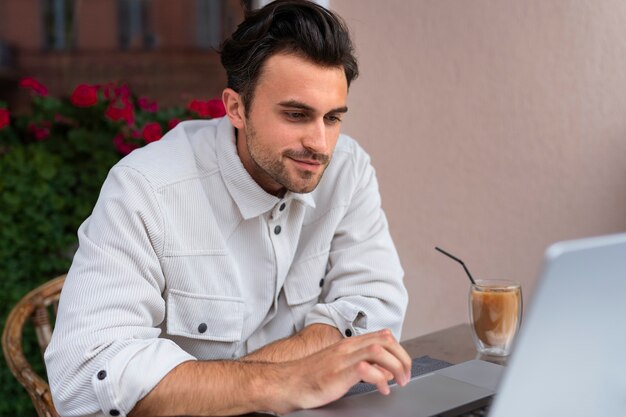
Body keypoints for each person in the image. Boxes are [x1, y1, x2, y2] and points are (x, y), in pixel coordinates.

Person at [44, 1, 410, 416]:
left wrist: (247, 380)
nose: (321, 145)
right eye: (296, 114)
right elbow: (85, 378)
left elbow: (375, 306)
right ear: (236, 107)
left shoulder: (348, 170)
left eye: (332, 118)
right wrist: (287, 380)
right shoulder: (146, 190)